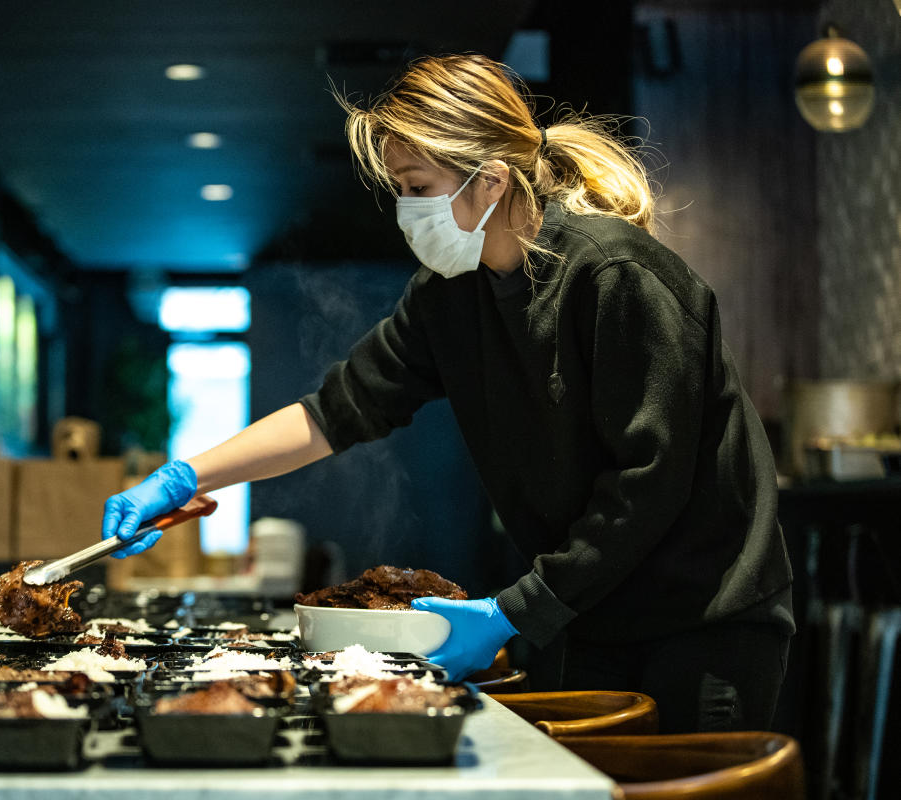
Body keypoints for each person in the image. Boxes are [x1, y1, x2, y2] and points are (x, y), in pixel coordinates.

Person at [100, 54, 795, 734]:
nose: (406, 208)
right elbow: (335, 411)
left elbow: (650, 483)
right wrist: (185, 475)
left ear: (490, 182)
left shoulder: (615, 275)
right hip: (590, 610)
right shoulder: (450, 298)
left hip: (702, 616)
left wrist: (512, 611)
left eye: (417, 183)